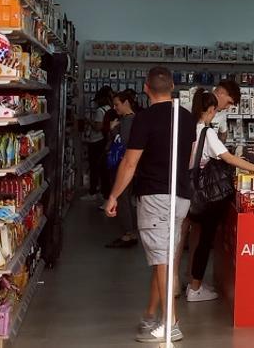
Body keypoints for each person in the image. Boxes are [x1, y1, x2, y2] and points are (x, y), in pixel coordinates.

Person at [104, 68, 191, 343]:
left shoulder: (144, 119)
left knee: (162, 261)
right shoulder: (187, 118)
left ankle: (171, 323)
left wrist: (114, 195)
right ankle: (152, 315)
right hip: (181, 197)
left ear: (146, 88)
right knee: (164, 260)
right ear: (173, 86)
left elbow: (130, 163)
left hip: (155, 196)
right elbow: (187, 160)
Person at [185, 88, 254, 302]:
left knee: (200, 240)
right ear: (209, 110)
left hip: (190, 189)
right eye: (214, 111)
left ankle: (193, 283)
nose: (215, 114)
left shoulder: (189, 129)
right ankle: (195, 288)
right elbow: (228, 158)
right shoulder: (207, 133)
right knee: (206, 240)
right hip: (207, 195)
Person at [106, 89, 141, 248]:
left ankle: (129, 233)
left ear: (126, 103)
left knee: (122, 198)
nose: (115, 108)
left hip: (124, 165)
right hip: (129, 165)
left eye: (117, 104)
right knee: (125, 198)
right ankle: (130, 231)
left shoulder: (127, 121)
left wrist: (113, 130)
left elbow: (125, 143)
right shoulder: (134, 119)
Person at [82, 86, 112, 201]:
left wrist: (89, 121)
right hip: (104, 141)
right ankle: (103, 192)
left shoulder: (100, 111)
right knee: (103, 168)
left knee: (94, 167)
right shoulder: (109, 108)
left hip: (96, 141)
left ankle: (93, 192)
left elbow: (98, 127)